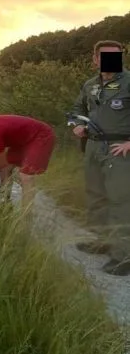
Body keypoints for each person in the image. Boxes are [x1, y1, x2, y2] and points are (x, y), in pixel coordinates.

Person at [70, 39, 130, 276]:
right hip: (93, 147)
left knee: (121, 201)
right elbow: (77, 110)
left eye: (116, 56)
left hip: (120, 148)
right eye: (104, 56)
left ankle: (124, 254)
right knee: (96, 198)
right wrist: (76, 125)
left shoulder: (128, 82)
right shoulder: (90, 85)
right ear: (95, 59)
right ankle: (102, 241)